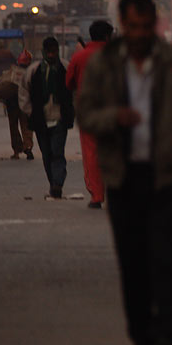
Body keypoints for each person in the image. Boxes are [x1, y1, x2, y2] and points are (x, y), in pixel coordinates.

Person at [77, 0, 172, 345]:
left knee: (164, 257)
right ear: (123, 25)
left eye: (144, 25)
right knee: (133, 261)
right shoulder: (106, 65)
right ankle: (142, 337)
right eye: (131, 26)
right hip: (123, 177)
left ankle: (167, 334)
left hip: (165, 176)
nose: (138, 33)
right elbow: (86, 113)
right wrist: (113, 119)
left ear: (155, 23)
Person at [66, 20, 114, 209]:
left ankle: (97, 195)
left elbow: (68, 83)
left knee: (92, 153)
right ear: (108, 37)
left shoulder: (79, 57)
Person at [19, 37, 74, 199]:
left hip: (60, 117)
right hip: (40, 119)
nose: (51, 54)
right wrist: (31, 112)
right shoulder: (34, 70)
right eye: (48, 51)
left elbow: (75, 90)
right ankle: (53, 183)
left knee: (57, 152)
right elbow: (23, 93)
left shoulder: (65, 68)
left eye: (54, 51)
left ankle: (57, 184)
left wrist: (72, 110)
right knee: (46, 153)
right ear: (43, 51)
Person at [0, 49, 34, 159]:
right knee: (26, 126)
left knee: (13, 126)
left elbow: (1, 85)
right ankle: (28, 147)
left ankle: (16, 151)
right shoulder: (31, 73)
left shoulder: (11, 72)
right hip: (25, 104)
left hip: (12, 104)